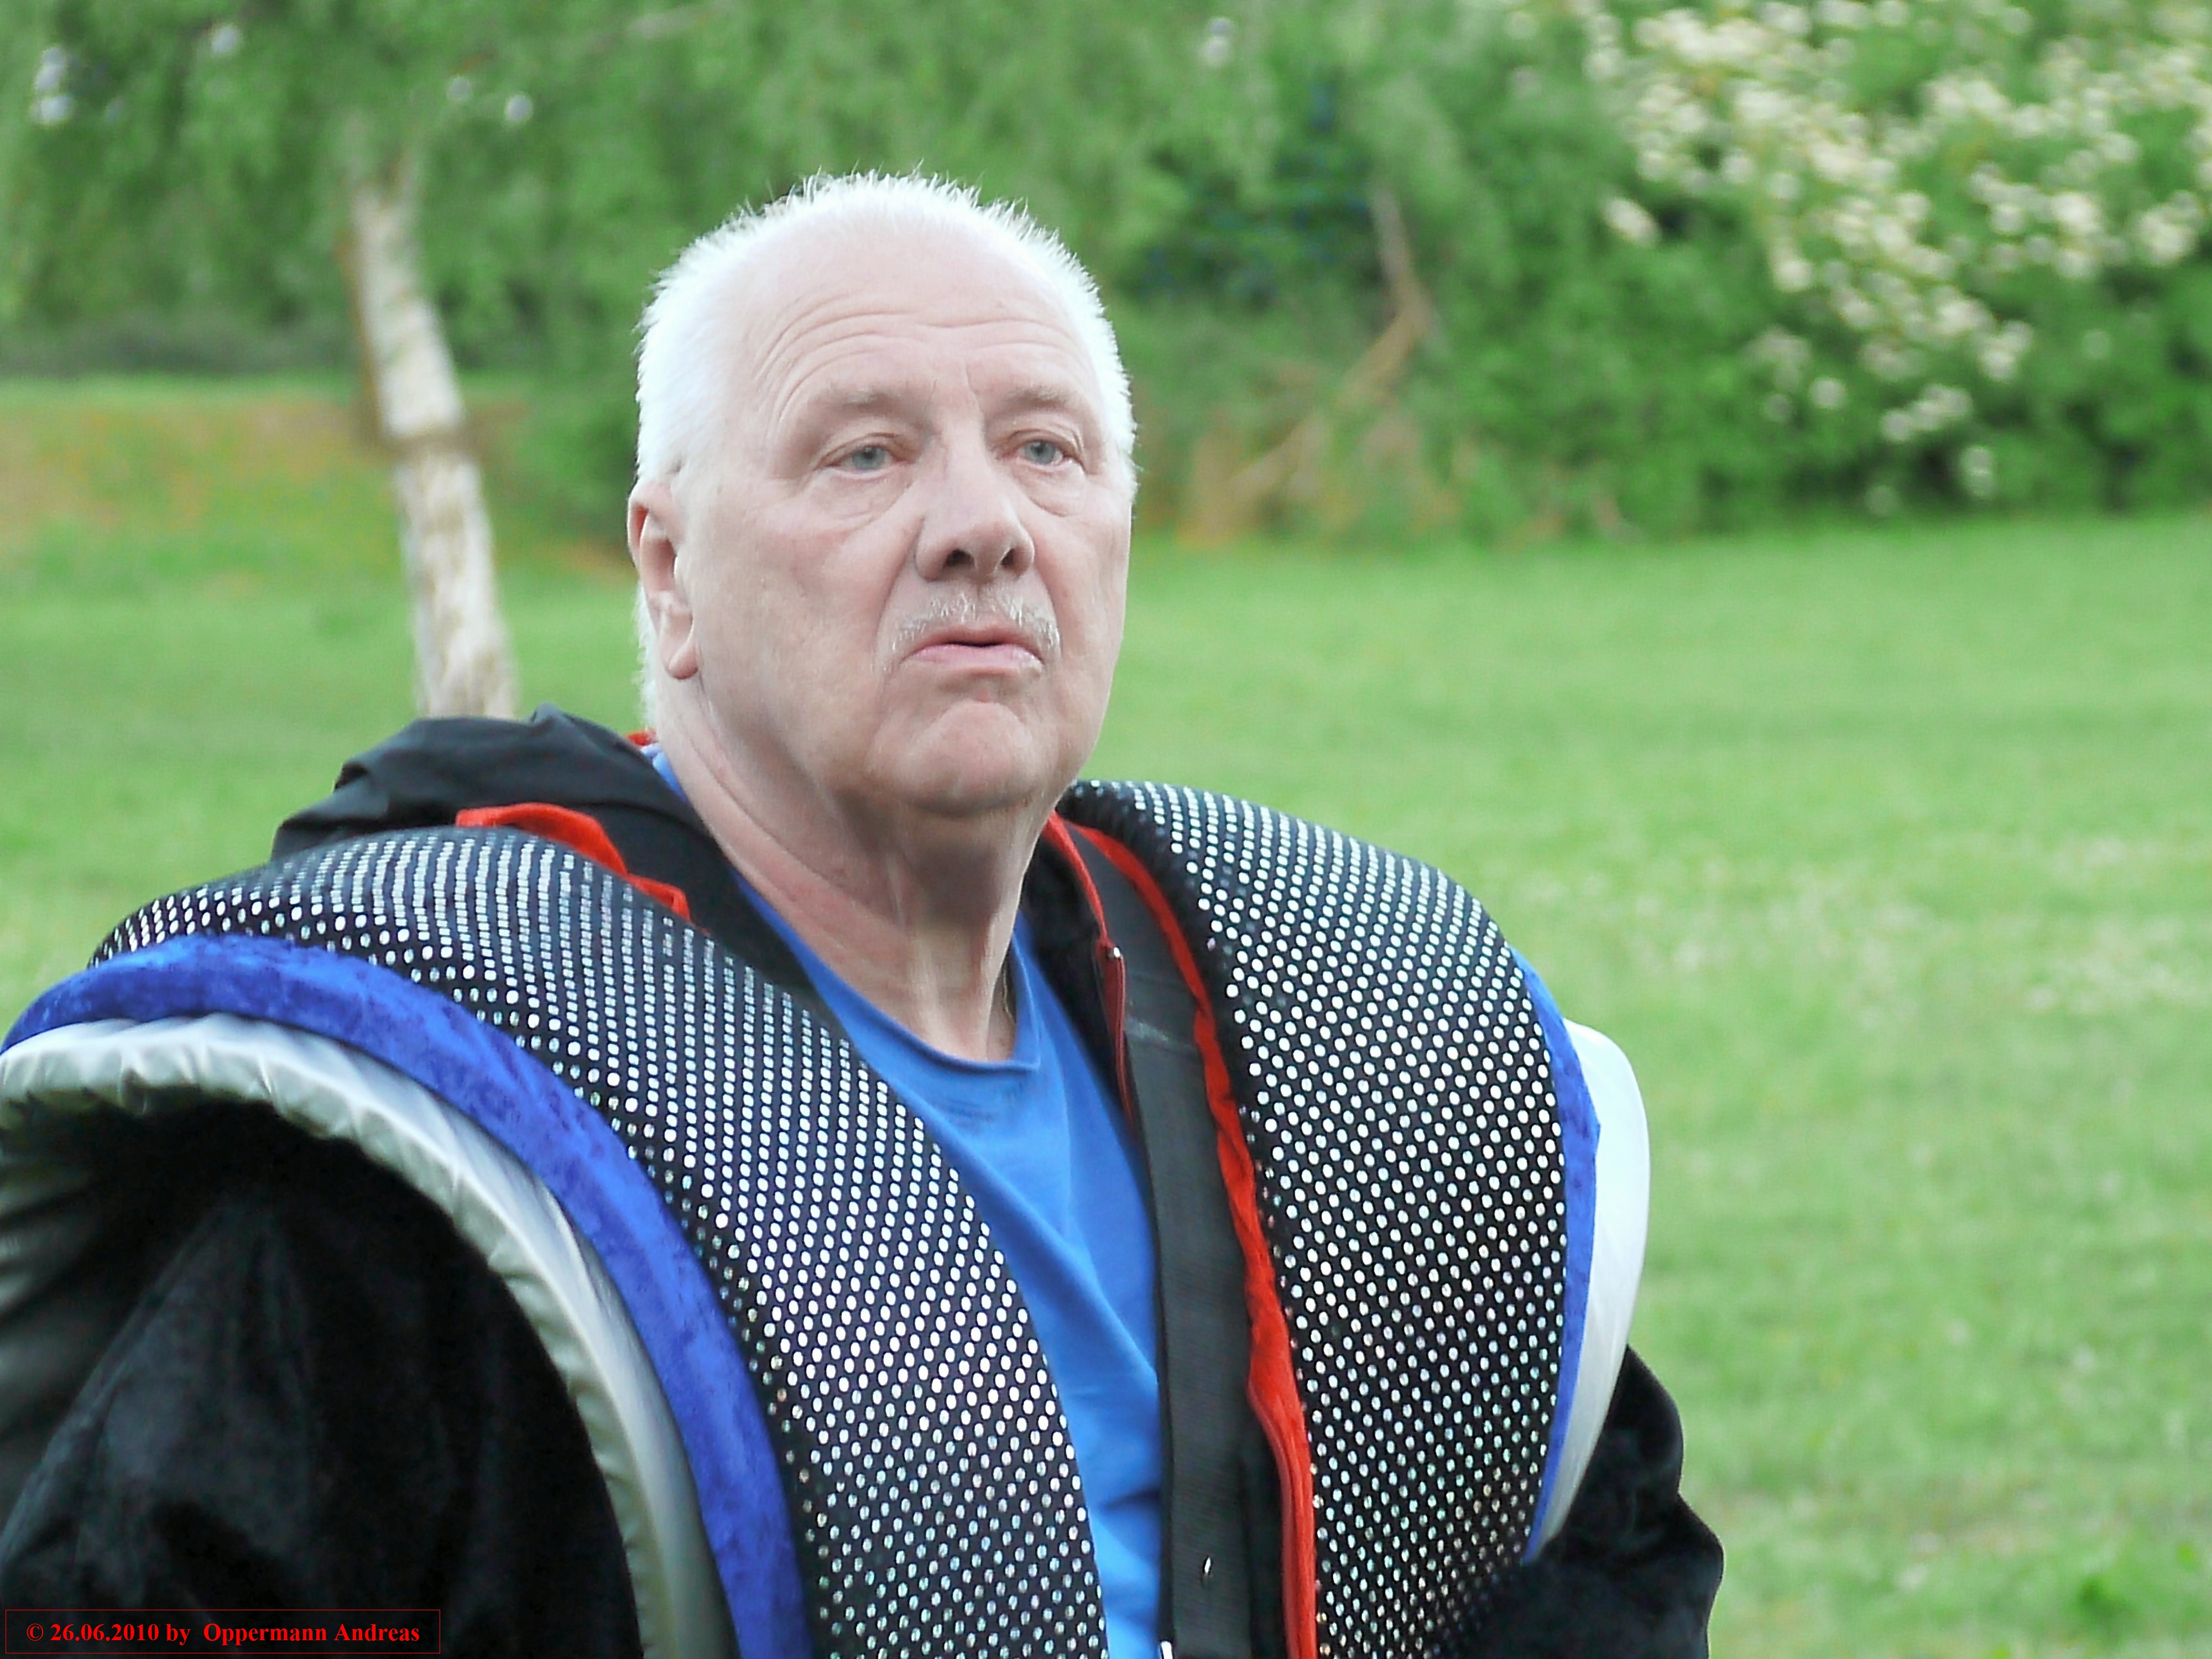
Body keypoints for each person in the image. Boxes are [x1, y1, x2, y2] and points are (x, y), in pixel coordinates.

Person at [0, 175, 1719, 1657]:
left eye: (1045, 450)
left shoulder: (1345, 1036)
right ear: (669, 572)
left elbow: (1596, 1566)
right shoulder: (431, 1149)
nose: (984, 527)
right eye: (866, 455)